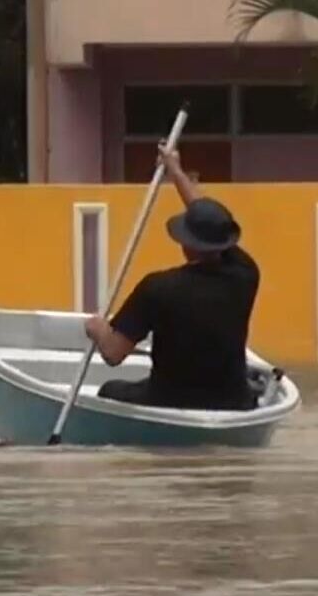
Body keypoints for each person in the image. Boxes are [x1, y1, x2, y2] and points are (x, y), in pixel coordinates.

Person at [83, 141, 259, 411]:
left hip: (168, 401)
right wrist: (175, 172)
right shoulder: (245, 274)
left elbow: (114, 353)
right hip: (234, 402)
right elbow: (209, 220)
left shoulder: (159, 288)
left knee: (110, 389)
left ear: (186, 243)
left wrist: (97, 329)